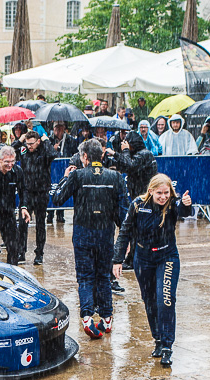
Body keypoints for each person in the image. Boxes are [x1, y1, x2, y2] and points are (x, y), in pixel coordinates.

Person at [113, 174, 193, 366]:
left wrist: (187, 204)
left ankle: (167, 346)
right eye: (159, 193)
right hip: (144, 258)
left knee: (165, 299)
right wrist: (117, 260)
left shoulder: (173, 204)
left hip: (167, 256)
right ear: (151, 191)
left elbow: (184, 212)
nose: (163, 197)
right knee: (149, 300)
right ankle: (157, 339)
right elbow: (125, 231)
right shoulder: (138, 205)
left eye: (166, 193)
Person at [53, 139, 129, 339]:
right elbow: (124, 215)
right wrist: (126, 240)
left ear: (84, 157)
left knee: (85, 277)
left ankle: (87, 317)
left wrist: (65, 178)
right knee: (104, 277)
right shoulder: (116, 177)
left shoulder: (77, 175)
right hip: (105, 234)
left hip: (83, 235)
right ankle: (106, 317)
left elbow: (57, 199)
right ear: (102, 156)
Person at [114, 131, 158, 270]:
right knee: (136, 228)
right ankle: (134, 257)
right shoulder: (141, 154)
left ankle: (133, 259)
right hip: (139, 196)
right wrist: (116, 154)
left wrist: (125, 151)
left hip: (144, 197)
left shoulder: (144, 154)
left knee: (136, 228)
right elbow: (124, 166)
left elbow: (130, 166)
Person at [18, 130, 57, 265]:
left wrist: (46, 140)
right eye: (27, 143)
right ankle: (21, 252)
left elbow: (53, 154)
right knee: (22, 223)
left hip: (41, 192)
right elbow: (9, 151)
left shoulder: (44, 152)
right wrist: (19, 140)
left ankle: (39, 253)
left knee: (40, 223)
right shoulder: (23, 152)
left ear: (38, 142)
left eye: (32, 144)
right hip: (27, 192)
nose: (29, 146)